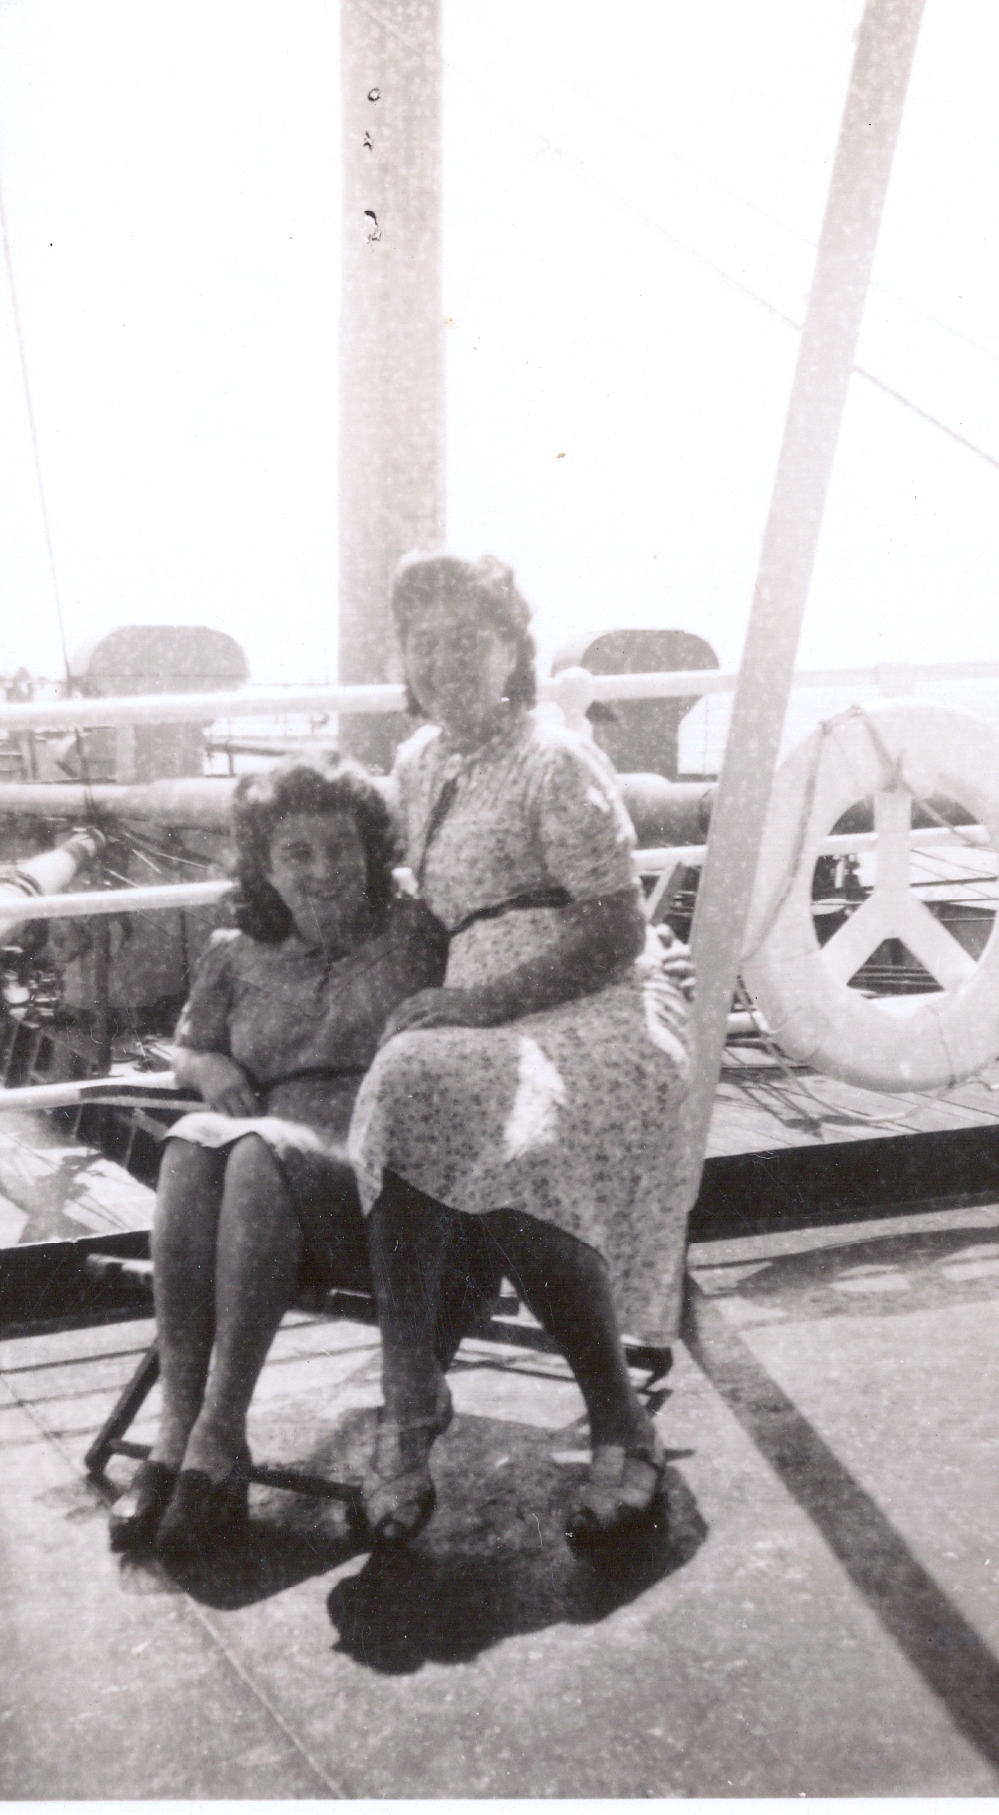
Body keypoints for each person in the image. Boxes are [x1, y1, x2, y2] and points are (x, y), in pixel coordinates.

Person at [349, 551, 696, 1548]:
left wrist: (482, 1003)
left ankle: (618, 1422)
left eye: (468, 639)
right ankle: (412, 1391)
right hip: (483, 1012)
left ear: (513, 651)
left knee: (513, 1141)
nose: (444, 662)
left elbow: (616, 930)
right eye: (424, 644)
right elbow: (429, 914)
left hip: (595, 1006)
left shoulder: (557, 760)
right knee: (408, 1082)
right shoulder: (420, 763)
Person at [108, 751, 497, 1557]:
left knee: (253, 1151)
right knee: (191, 1141)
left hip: (390, 1194)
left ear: (371, 850)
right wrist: (207, 1068)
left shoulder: (416, 934)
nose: (323, 870)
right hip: (267, 1202)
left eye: (341, 847)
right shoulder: (233, 952)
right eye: (297, 853)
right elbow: (189, 1048)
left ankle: (219, 1433)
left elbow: (496, 995)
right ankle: (177, 1433)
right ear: (264, 865)